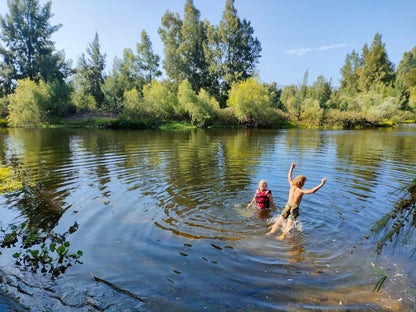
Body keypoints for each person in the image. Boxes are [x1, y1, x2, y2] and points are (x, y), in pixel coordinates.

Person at [266, 162, 327, 240]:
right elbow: (312, 191)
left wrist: (292, 167)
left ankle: (271, 231)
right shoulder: (301, 191)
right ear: (301, 183)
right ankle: (283, 235)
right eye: (304, 182)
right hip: (294, 208)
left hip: (287, 206)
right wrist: (322, 184)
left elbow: (289, 176)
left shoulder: (292, 186)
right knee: (289, 223)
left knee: (280, 220)